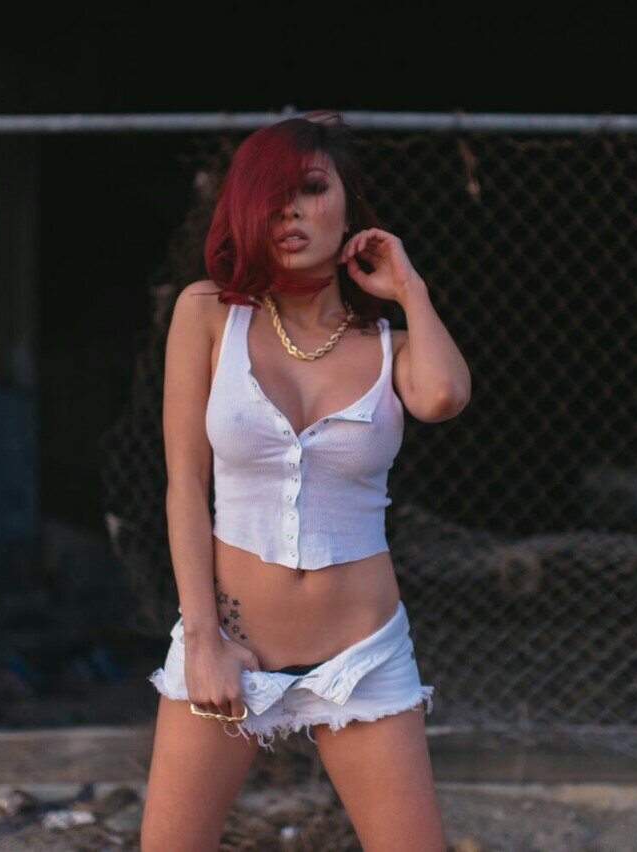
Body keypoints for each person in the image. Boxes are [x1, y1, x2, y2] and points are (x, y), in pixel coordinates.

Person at [141, 110, 471, 851]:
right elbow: (184, 484)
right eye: (270, 196)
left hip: (361, 657)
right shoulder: (207, 314)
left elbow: (444, 397)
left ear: (349, 208)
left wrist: (409, 286)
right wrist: (202, 639)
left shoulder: (391, 344)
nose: (289, 212)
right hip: (230, 646)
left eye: (312, 189)